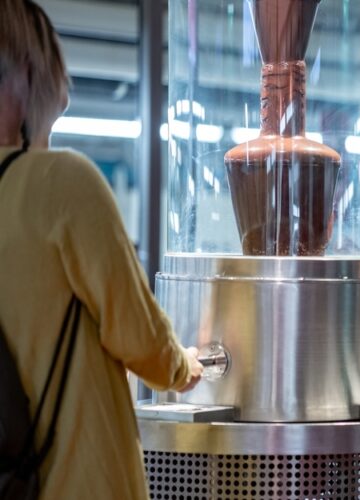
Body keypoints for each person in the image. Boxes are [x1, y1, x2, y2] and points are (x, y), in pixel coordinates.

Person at [0, 1, 204, 499]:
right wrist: (184, 366)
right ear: (30, 76)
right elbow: (139, 337)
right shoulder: (61, 183)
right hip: (78, 481)